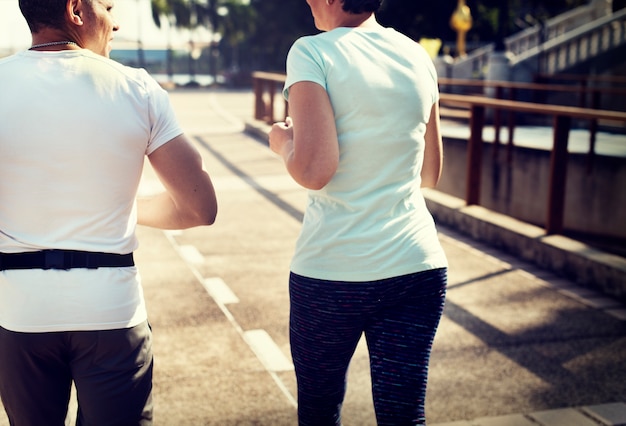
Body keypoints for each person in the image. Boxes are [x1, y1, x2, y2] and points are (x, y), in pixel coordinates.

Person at [0, 0, 218, 424]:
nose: (115, 23)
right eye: (108, 6)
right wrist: (114, 208)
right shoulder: (136, 87)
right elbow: (199, 207)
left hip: (20, 310)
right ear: (75, 9)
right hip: (111, 311)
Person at [268, 0, 448, 424]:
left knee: (319, 410)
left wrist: (283, 143)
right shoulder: (417, 55)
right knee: (403, 415)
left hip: (333, 271)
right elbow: (431, 173)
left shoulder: (311, 52)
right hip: (415, 264)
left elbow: (314, 170)